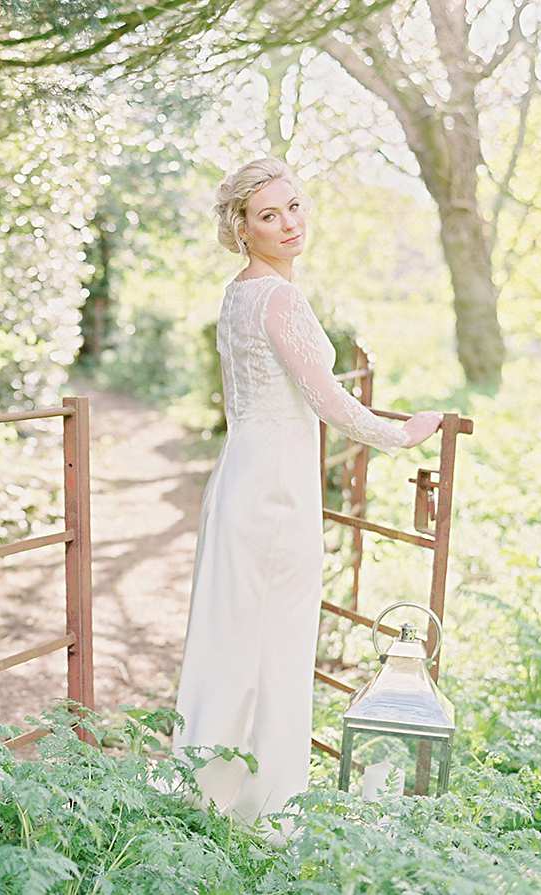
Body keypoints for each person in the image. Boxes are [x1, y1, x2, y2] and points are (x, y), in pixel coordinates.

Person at [171, 158, 442, 837]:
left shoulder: (238, 294)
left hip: (241, 476)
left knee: (237, 641)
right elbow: (327, 401)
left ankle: (214, 791)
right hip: (274, 492)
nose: (289, 223)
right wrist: (402, 434)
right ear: (242, 228)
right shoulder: (279, 299)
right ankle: (263, 809)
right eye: (269, 215)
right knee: (275, 646)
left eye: (294, 206)